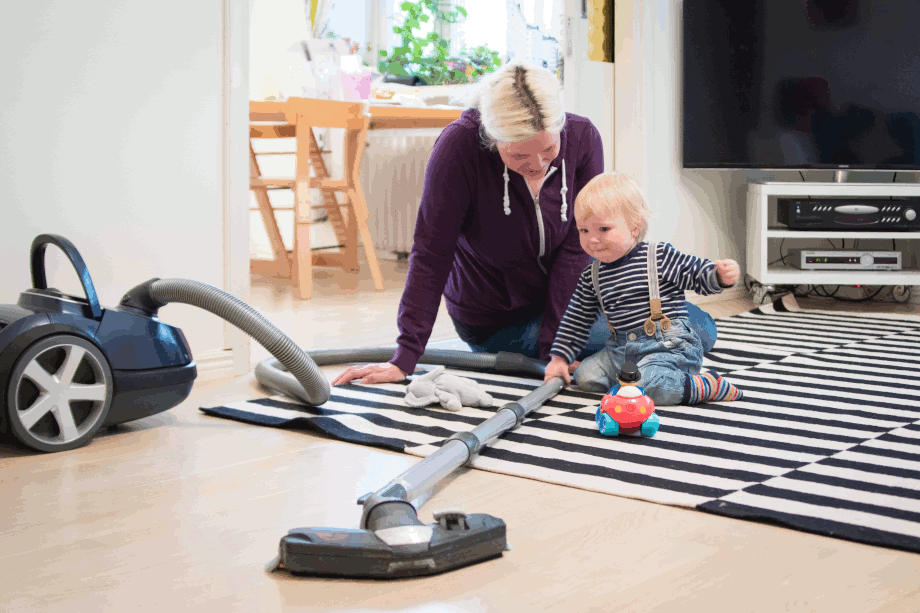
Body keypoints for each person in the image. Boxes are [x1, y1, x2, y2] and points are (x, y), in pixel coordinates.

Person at [332, 62, 716, 386]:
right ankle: (632, 365)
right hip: (496, 320)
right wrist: (405, 358)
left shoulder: (582, 139)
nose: (538, 165)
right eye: (519, 155)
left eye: (549, 150)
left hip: (564, 307)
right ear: (492, 137)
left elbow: (576, 250)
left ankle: (612, 362)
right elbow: (432, 254)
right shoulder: (458, 149)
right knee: (677, 335)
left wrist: (557, 345)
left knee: (699, 325)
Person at [544, 172, 743, 406]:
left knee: (651, 386)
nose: (592, 240)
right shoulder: (592, 275)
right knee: (585, 377)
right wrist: (560, 357)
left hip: (667, 347)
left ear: (634, 228)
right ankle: (635, 384)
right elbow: (576, 318)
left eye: (604, 229)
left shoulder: (657, 255)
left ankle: (704, 385)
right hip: (621, 351)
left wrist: (718, 276)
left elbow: (694, 273)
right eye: (584, 231)